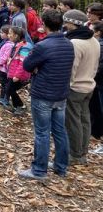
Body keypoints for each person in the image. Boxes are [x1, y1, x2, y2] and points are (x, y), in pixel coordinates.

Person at [18, 10, 75, 180]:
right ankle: (61, 166)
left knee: (42, 133)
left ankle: (39, 170)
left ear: (44, 24)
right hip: (61, 94)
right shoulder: (68, 43)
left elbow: (27, 65)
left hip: (43, 94)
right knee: (60, 131)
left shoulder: (42, 46)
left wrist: (38, 67)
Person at [63, 9, 100, 165]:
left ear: (74, 24)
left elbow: (72, 68)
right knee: (85, 120)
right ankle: (83, 151)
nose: (65, 24)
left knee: (73, 122)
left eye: (67, 22)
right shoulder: (94, 40)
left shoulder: (75, 43)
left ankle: (76, 154)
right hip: (89, 86)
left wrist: (67, 87)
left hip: (76, 88)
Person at [3, 27, 32, 114]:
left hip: (19, 75)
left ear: (16, 35)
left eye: (10, 33)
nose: (8, 35)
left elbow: (23, 62)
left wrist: (17, 75)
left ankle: (20, 106)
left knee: (10, 89)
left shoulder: (25, 47)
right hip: (12, 72)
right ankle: (17, 106)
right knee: (9, 89)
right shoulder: (17, 45)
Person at [90, 22, 103, 154]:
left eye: (92, 30)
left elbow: (99, 66)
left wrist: (91, 75)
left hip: (99, 83)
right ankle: (96, 133)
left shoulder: (99, 45)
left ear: (98, 32)